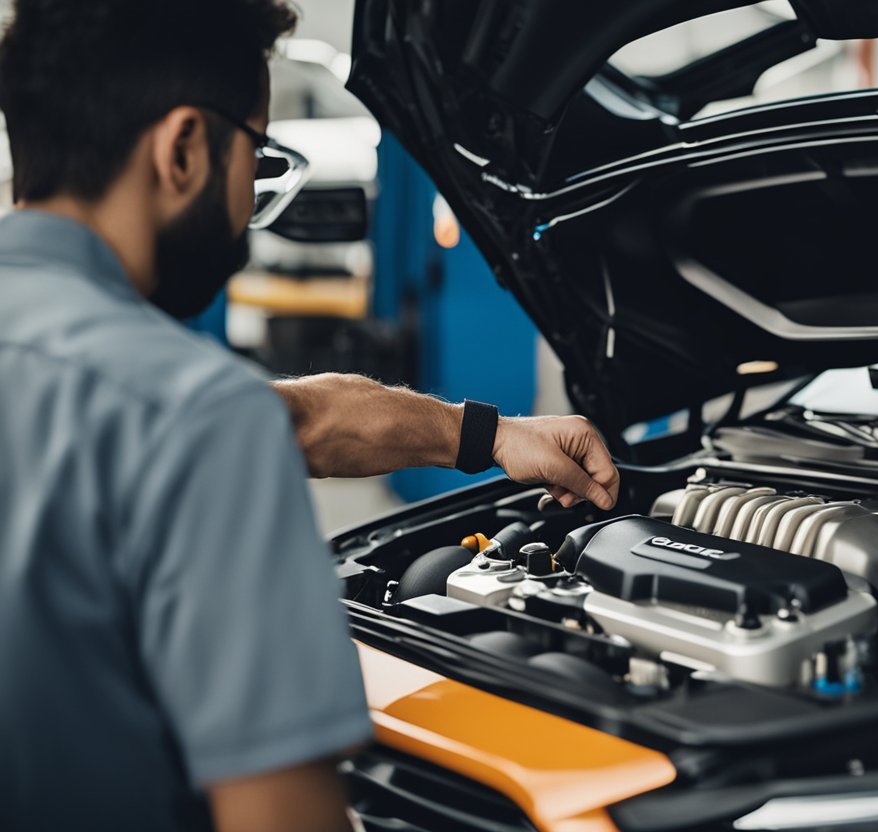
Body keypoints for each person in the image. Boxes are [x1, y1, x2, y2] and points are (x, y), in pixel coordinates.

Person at [0, 2, 620, 831]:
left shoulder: (123, 393)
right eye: (254, 153)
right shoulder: (191, 419)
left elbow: (302, 420)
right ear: (184, 149)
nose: (251, 197)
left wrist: (498, 436)